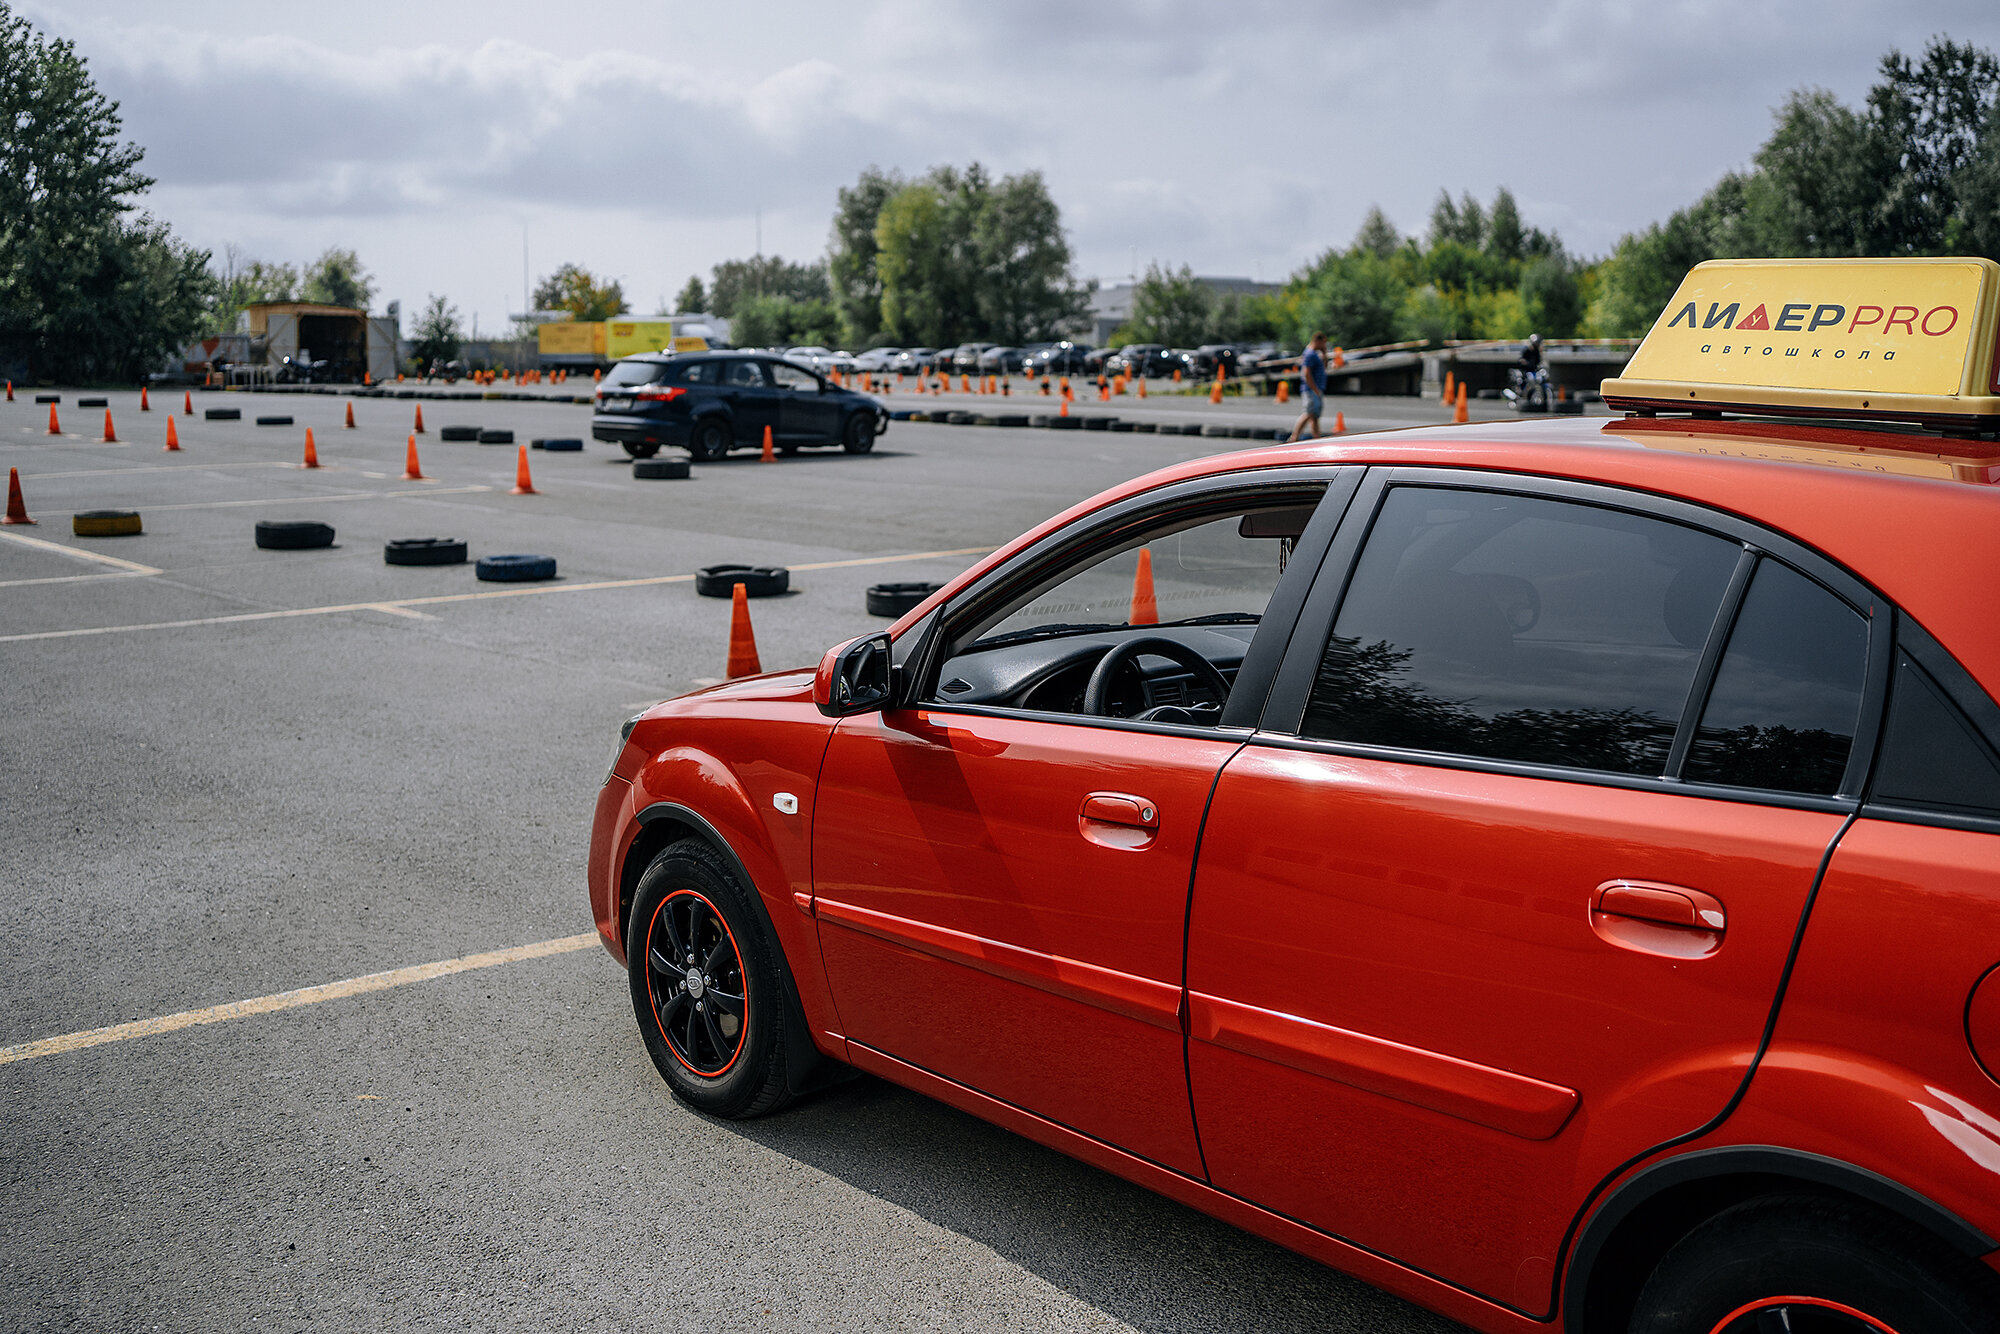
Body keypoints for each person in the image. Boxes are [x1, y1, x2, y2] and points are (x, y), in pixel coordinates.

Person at [1289, 331, 1329, 442]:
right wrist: (1315, 389)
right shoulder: (1310, 354)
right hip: (1311, 389)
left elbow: (1325, 367)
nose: (1324, 346)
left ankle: (1317, 438)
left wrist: (1325, 354)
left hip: (1317, 388)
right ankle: (1294, 437)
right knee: (1309, 413)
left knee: (1315, 416)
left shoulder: (1315, 354)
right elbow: (1306, 374)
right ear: (1317, 341)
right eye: (1323, 343)